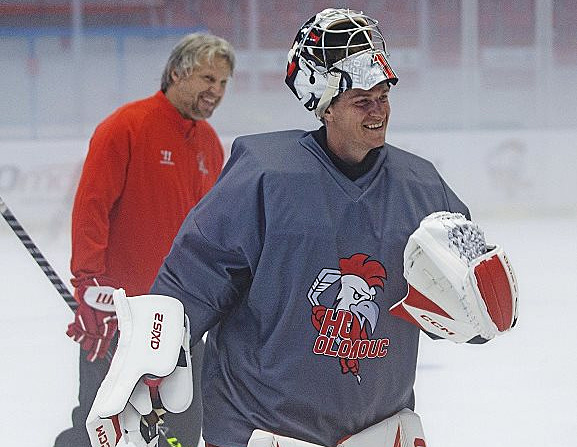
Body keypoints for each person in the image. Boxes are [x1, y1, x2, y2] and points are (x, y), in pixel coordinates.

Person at [85, 8, 518, 447]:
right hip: (260, 430)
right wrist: (145, 370)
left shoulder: (422, 189)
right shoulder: (265, 176)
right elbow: (193, 281)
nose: (377, 112)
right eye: (361, 100)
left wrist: (481, 307)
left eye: (383, 97)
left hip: (382, 433)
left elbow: (469, 308)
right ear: (326, 106)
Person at [55, 33, 235, 447]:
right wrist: (87, 285)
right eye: (208, 78)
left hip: (182, 320)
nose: (217, 91)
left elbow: (212, 232)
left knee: (183, 433)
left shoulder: (209, 143)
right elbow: (91, 208)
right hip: (120, 315)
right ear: (177, 72)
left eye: (223, 83)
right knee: (104, 428)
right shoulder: (126, 127)